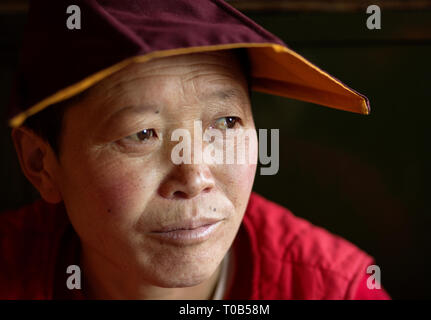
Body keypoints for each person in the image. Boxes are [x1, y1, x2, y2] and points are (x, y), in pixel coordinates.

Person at [1, 0, 390, 300]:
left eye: (226, 123)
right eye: (142, 134)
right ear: (41, 165)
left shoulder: (332, 288)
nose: (195, 178)